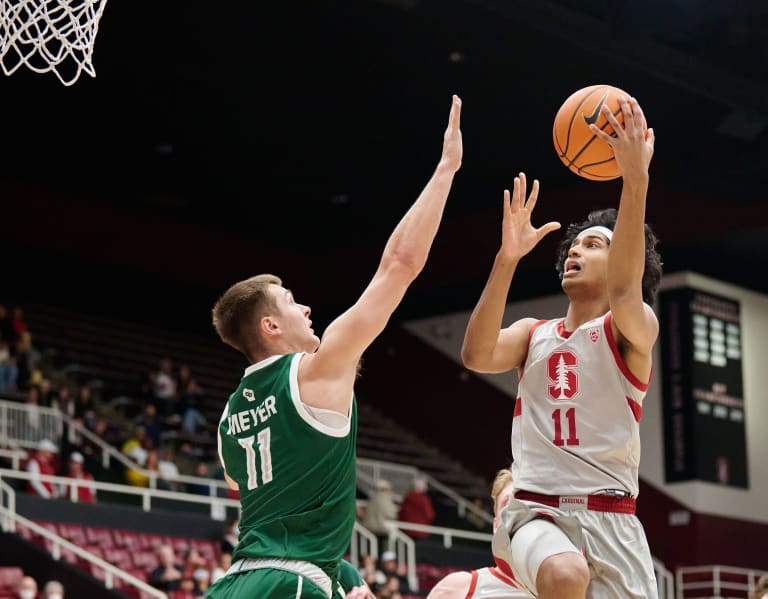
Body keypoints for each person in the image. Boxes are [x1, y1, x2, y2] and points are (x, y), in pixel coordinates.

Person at [204, 94, 463, 599]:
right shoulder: (315, 372)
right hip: (289, 583)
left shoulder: (228, 421)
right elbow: (400, 265)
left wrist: (341, 575)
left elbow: (273, 510)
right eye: (291, 302)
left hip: (236, 583)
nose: (305, 309)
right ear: (270, 327)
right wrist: (447, 169)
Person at [461, 96, 661, 599]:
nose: (575, 249)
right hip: (535, 512)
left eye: (594, 245)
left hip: (613, 519)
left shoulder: (633, 330)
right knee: (566, 574)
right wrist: (506, 260)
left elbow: (624, 291)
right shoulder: (533, 334)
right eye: (574, 244)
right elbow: (477, 355)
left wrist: (635, 181)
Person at [426, 468, 530, 598]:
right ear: (496, 525)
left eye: (524, 503)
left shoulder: (560, 589)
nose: (516, 512)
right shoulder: (458, 589)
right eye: (508, 503)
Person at [362, 479, 398, 552]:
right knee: (385, 551)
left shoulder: (371, 499)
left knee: (370, 551)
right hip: (381, 529)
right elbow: (391, 515)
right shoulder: (386, 499)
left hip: (369, 528)